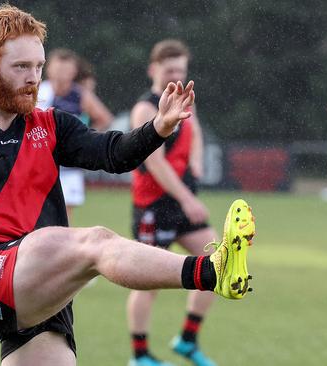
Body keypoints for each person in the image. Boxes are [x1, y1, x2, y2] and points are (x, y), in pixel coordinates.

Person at [0, 5, 255, 366]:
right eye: (21, 66)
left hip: (43, 291)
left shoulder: (51, 124)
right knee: (96, 242)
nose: (33, 78)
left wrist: (159, 128)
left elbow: (113, 154)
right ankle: (212, 271)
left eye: (38, 67)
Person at [126, 40, 217, 366]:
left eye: (180, 70)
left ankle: (188, 340)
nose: (175, 75)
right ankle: (140, 356)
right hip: (154, 205)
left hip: (182, 204)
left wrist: (197, 162)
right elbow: (155, 163)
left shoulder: (184, 101)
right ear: (154, 70)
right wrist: (187, 197)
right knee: (147, 283)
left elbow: (195, 130)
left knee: (219, 263)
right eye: (169, 70)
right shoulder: (146, 108)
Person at [36, 48, 114, 220]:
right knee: (37, 208)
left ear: (73, 72)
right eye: (58, 69)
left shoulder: (80, 95)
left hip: (69, 165)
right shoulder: (39, 91)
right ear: (48, 69)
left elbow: (104, 118)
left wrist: (85, 139)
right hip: (40, 160)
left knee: (64, 213)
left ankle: (61, 244)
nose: (61, 74)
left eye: (66, 70)